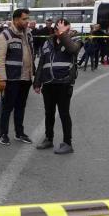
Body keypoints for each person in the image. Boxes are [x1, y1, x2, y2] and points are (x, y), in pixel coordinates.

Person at [33, 19, 83, 154]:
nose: (60, 31)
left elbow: (72, 50)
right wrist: (37, 82)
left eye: (64, 29)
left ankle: (68, 143)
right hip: (49, 83)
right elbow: (41, 63)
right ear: (54, 29)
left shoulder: (76, 39)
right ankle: (48, 139)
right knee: (48, 113)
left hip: (64, 83)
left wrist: (63, 35)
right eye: (58, 29)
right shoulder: (47, 42)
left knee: (64, 113)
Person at [0, 8, 35, 146]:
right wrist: (2, 79)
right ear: (16, 19)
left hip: (26, 78)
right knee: (7, 107)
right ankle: (3, 134)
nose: (27, 21)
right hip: (12, 79)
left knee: (21, 107)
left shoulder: (28, 35)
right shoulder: (5, 36)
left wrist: (32, 76)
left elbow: (31, 55)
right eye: (24, 19)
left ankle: (19, 133)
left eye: (27, 19)